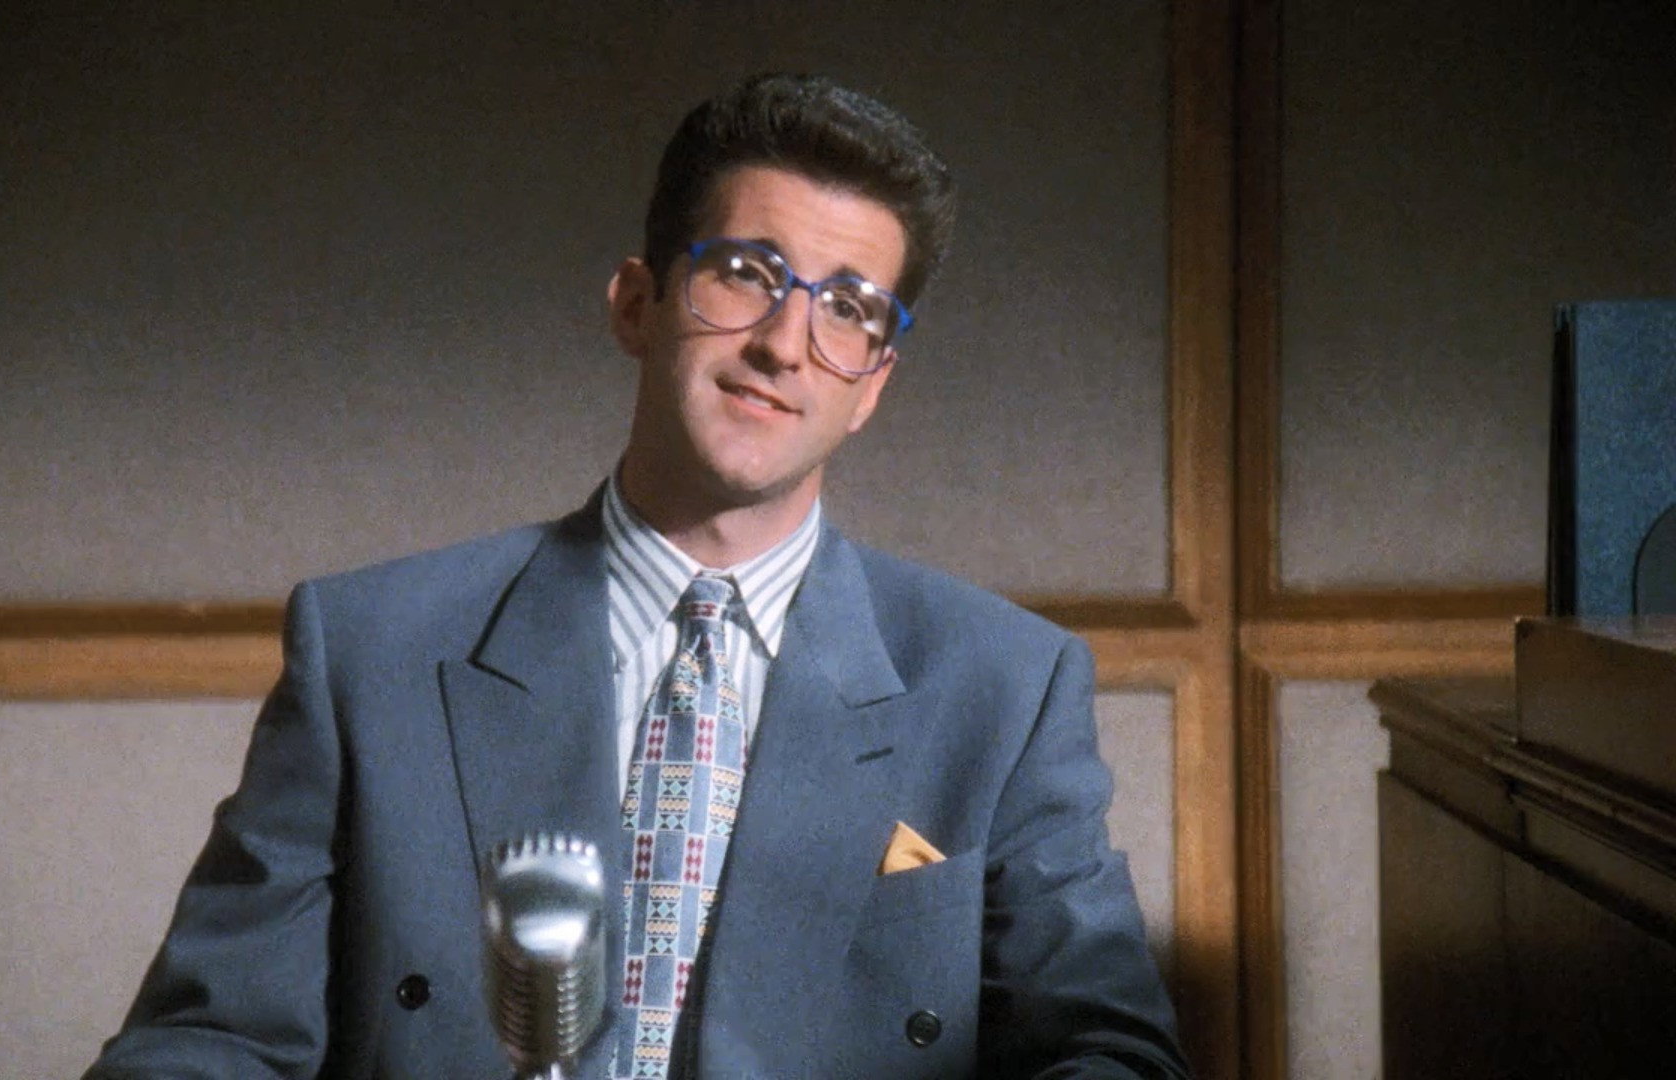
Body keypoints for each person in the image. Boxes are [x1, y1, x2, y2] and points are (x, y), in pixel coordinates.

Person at [85, 73, 1187, 1079]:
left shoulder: (1005, 686)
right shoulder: (372, 652)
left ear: (873, 384)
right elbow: (208, 1042)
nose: (786, 343)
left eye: (848, 308)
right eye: (746, 274)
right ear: (636, 303)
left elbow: (1108, 1052)